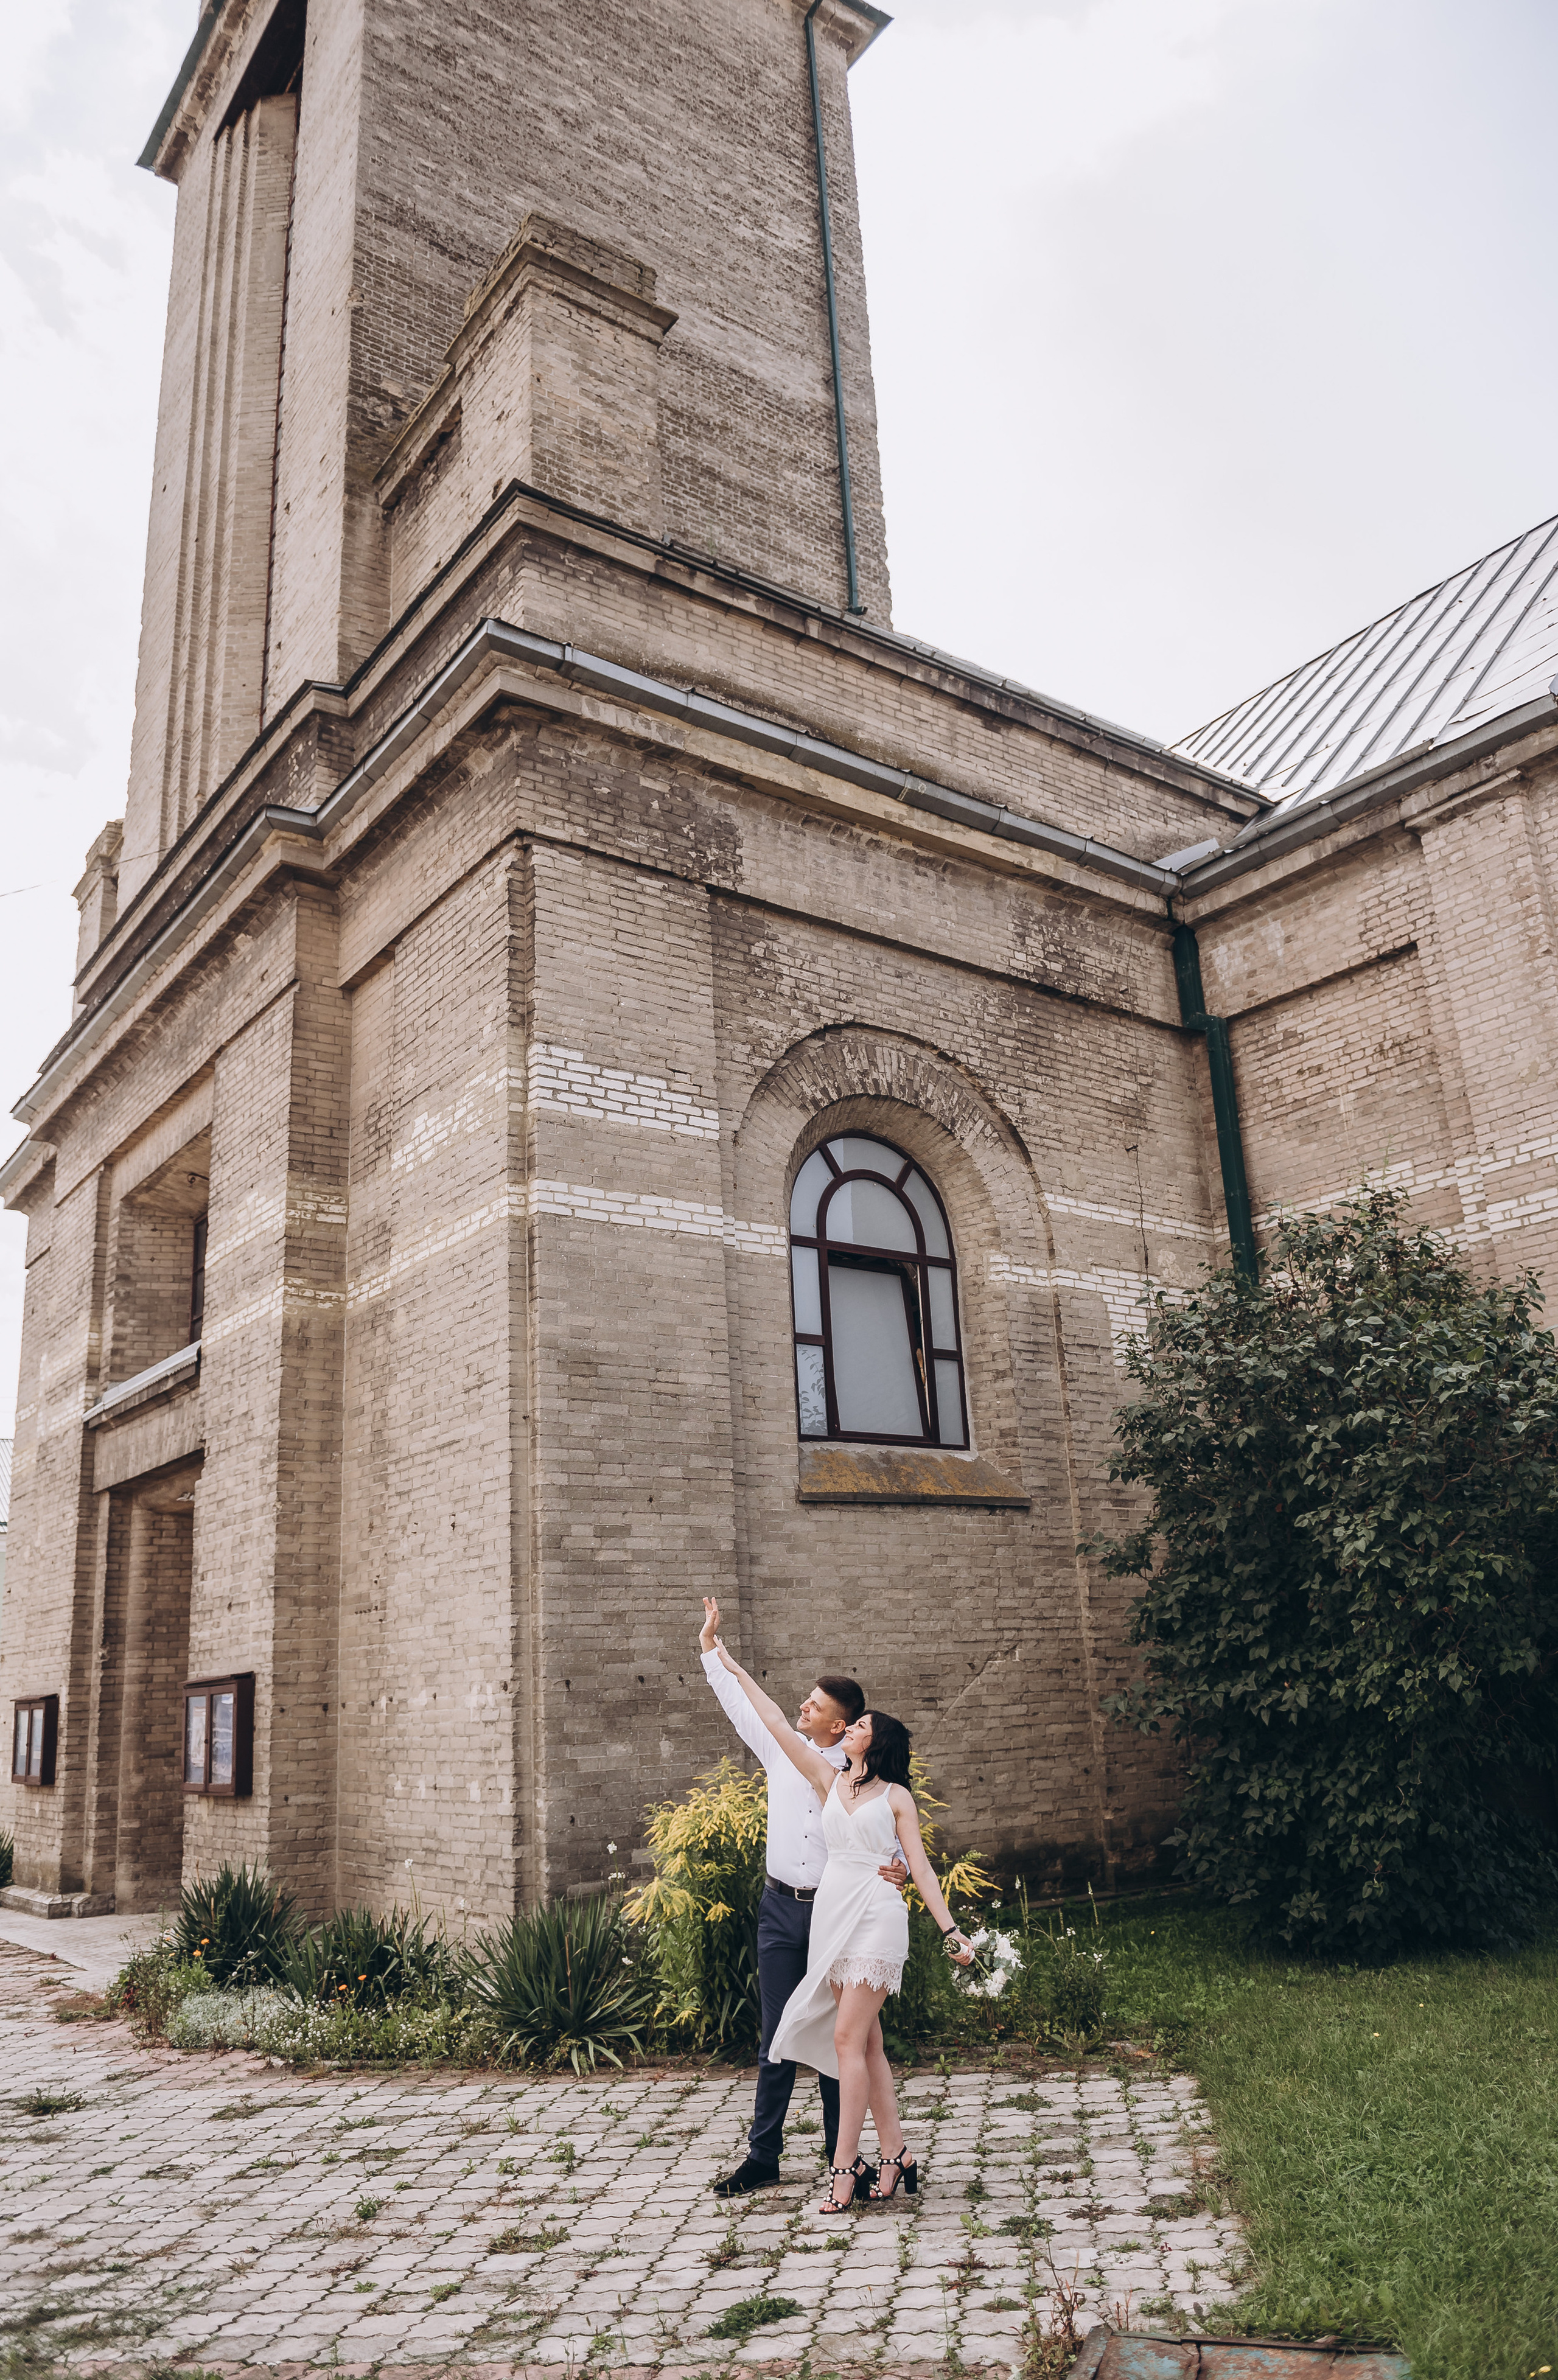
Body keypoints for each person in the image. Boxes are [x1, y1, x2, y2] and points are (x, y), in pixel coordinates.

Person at [707, 1626, 974, 2213]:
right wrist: (723, 1656)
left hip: (868, 1916)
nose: (847, 1726)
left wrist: (944, 1920)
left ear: (859, 1734)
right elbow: (772, 1718)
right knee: (839, 2040)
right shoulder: (821, 1774)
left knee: (848, 2039)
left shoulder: (895, 1793)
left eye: (854, 1723)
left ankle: (843, 2163)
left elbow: (915, 1863)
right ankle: (881, 2154)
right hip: (811, 1912)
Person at [699, 1596, 909, 2199]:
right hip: (777, 1908)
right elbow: (744, 1705)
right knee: (775, 2036)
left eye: (813, 1705)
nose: (802, 1707)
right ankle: (762, 2155)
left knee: (832, 2035)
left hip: (835, 1915)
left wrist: (892, 1869)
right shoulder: (782, 1750)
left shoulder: (862, 1781)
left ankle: (837, 2154)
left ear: (840, 1725)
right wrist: (710, 1646)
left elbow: (892, 1838)